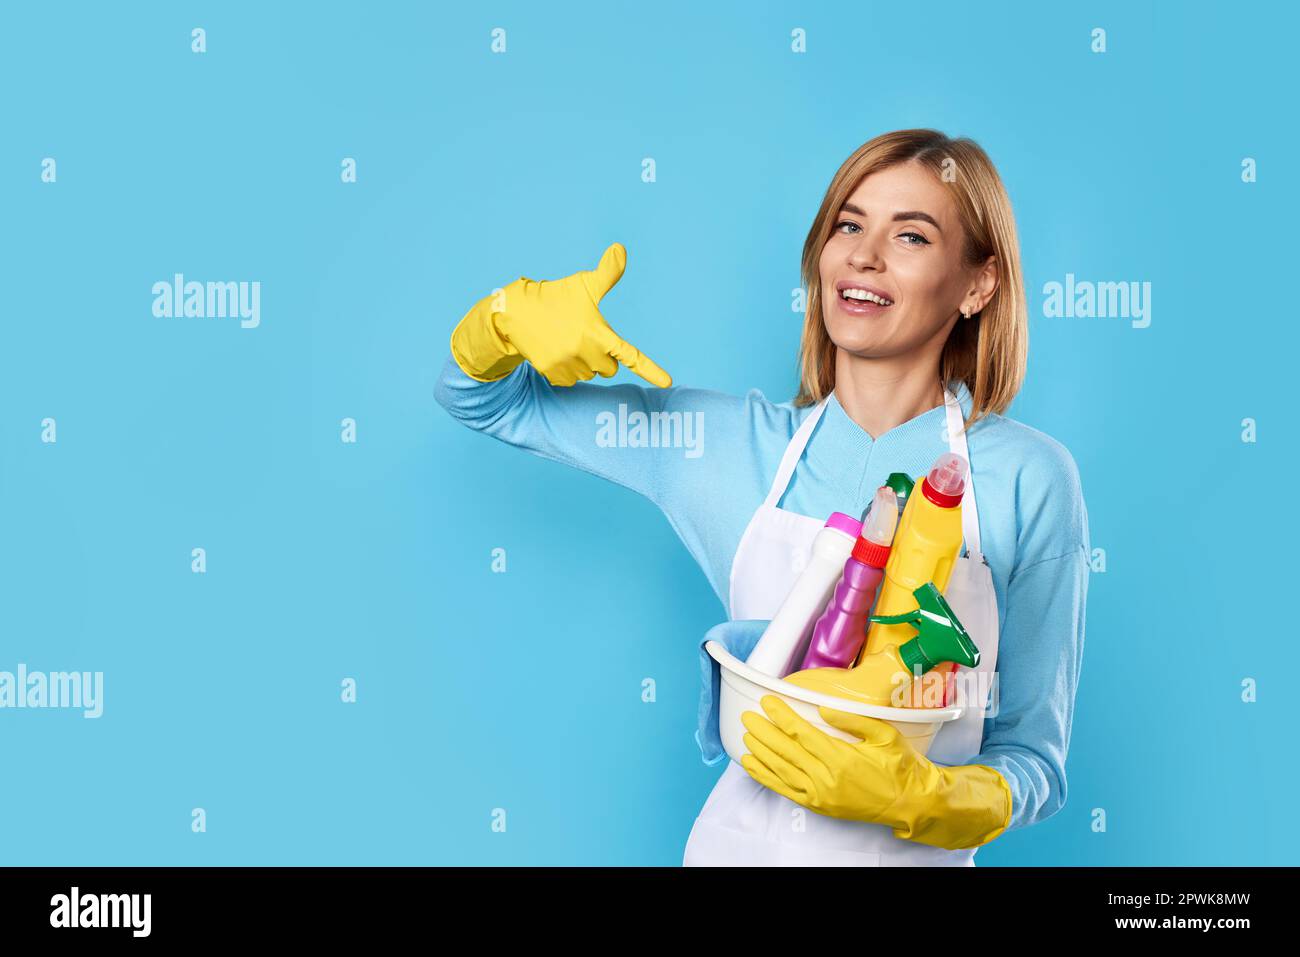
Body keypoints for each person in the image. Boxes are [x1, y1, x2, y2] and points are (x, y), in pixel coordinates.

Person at [435, 129, 1089, 866]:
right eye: (849, 224)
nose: (864, 254)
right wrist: (504, 321)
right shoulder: (724, 448)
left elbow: (1034, 759)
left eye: (910, 235)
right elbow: (481, 400)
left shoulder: (1030, 479)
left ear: (979, 284)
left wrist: (925, 799)